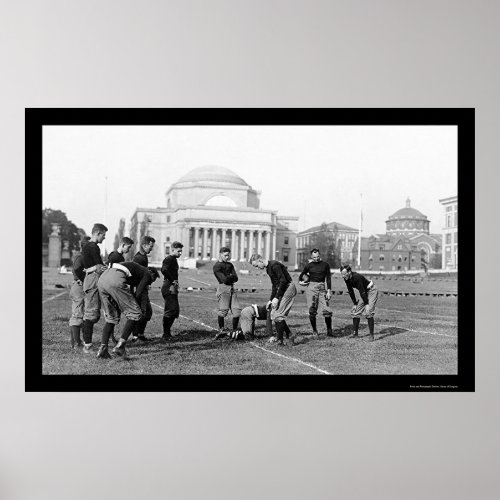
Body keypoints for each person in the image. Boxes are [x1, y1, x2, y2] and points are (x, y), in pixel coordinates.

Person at [96, 262, 159, 359]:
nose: (149, 283)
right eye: (151, 281)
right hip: (115, 279)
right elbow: (138, 292)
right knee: (135, 314)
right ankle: (120, 346)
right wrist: (137, 307)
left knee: (111, 317)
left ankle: (103, 348)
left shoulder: (137, 270)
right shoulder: (147, 273)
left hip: (102, 279)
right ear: (152, 273)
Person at [249, 254, 297, 346]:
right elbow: (275, 286)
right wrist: (271, 300)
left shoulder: (275, 265)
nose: (258, 268)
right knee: (273, 314)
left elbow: (283, 281)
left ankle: (280, 340)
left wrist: (276, 297)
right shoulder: (268, 269)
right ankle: (289, 334)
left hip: (288, 288)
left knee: (278, 315)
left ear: (260, 261)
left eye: (257, 266)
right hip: (282, 289)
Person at [81, 223, 108, 354]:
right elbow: (97, 266)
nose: (104, 238)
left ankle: (88, 343)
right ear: (97, 233)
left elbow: (97, 266)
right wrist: (101, 267)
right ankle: (87, 346)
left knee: (94, 314)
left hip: (92, 279)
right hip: (92, 280)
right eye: (103, 235)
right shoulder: (91, 246)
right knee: (91, 314)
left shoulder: (90, 246)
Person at [298, 248, 334, 337]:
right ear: (311, 256)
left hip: (322, 288)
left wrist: (329, 290)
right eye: (314, 257)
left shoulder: (325, 265)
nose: (316, 259)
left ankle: (329, 331)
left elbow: (328, 278)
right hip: (311, 289)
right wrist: (301, 282)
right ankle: (314, 331)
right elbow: (301, 275)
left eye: (317, 256)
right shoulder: (309, 266)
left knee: (327, 310)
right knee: (312, 310)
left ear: (319, 255)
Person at [340, 264, 379, 342]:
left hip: (371, 291)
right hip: (364, 292)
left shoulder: (357, 277)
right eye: (342, 274)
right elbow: (350, 291)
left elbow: (362, 292)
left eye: (344, 274)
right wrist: (355, 303)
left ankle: (371, 335)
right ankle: (355, 334)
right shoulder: (346, 278)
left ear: (349, 272)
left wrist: (366, 304)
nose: (343, 276)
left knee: (369, 312)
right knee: (356, 312)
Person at [213, 247, 242, 340]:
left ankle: (234, 330)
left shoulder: (230, 265)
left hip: (232, 288)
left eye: (228, 255)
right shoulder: (217, 266)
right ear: (220, 254)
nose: (227, 257)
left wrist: (230, 276)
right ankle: (221, 329)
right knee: (223, 311)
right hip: (223, 289)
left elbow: (236, 278)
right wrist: (230, 276)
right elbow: (223, 280)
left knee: (237, 311)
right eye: (225, 255)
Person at [131, 236, 156, 342]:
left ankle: (139, 335)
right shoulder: (138, 259)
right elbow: (135, 275)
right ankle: (136, 336)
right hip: (139, 289)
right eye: (150, 246)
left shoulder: (144, 257)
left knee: (147, 312)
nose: (151, 249)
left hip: (143, 288)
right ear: (144, 245)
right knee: (142, 312)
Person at [68, 236, 90, 348]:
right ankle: (76, 343)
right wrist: (83, 279)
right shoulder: (81, 258)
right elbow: (76, 269)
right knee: (77, 315)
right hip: (78, 287)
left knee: (79, 314)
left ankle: (75, 342)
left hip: (79, 286)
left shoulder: (83, 257)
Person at [160, 241, 183, 342]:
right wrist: (172, 279)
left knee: (174, 311)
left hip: (172, 287)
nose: (180, 253)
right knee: (171, 310)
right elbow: (164, 269)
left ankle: (167, 332)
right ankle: (166, 334)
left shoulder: (173, 259)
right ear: (172, 249)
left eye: (181, 251)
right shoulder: (169, 259)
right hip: (168, 286)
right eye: (178, 251)